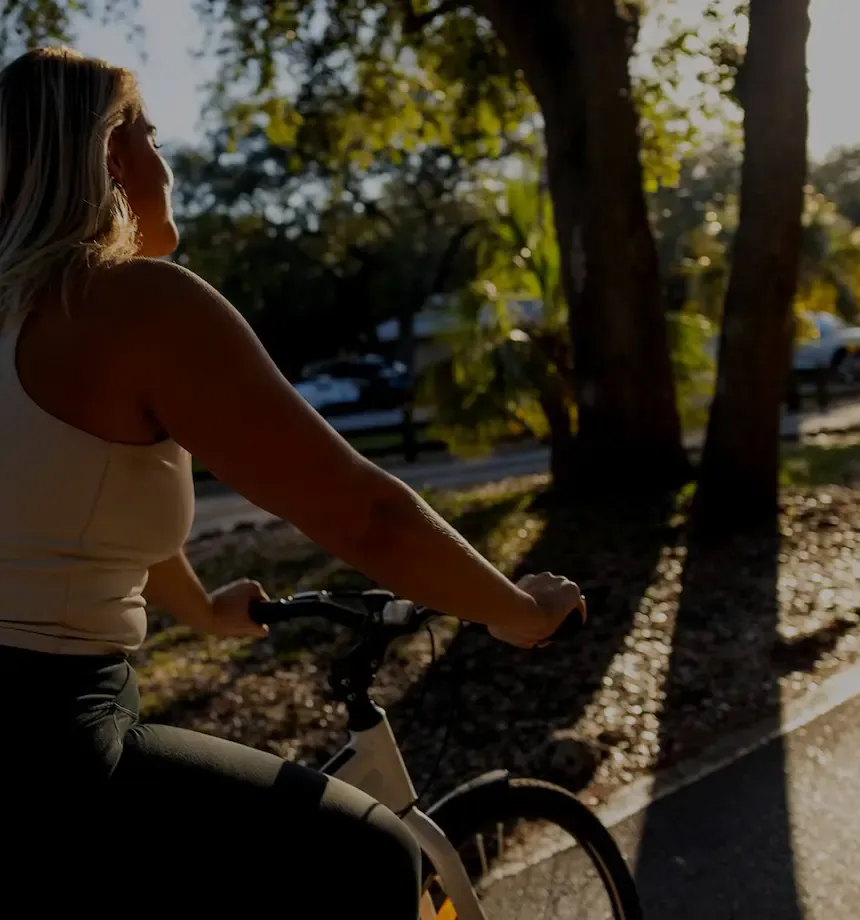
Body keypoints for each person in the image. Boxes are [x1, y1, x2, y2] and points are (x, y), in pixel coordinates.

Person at [0, 47, 585, 911]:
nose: (165, 162)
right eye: (149, 135)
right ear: (106, 153)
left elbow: (64, 513)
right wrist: (520, 611)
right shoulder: (133, 305)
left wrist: (202, 611)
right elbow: (364, 517)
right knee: (373, 859)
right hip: (58, 731)